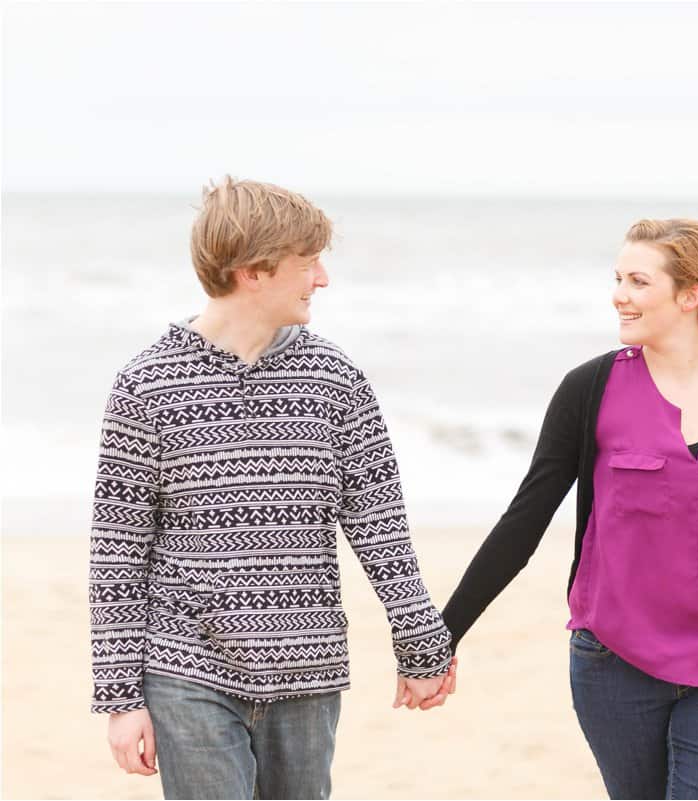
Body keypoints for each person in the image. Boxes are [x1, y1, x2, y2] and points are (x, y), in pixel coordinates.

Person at [442, 218, 698, 800]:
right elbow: (525, 519)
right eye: (618, 278)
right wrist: (442, 634)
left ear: (690, 295)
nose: (619, 295)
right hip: (614, 660)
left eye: (637, 281)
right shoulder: (592, 387)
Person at [88, 177, 456, 800]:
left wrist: (421, 637)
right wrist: (120, 699)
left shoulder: (336, 379)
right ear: (254, 270)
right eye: (309, 262)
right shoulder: (144, 385)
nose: (322, 279)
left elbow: (380, 523)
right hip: (186, 667)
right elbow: (118, 553)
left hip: (309, 672)